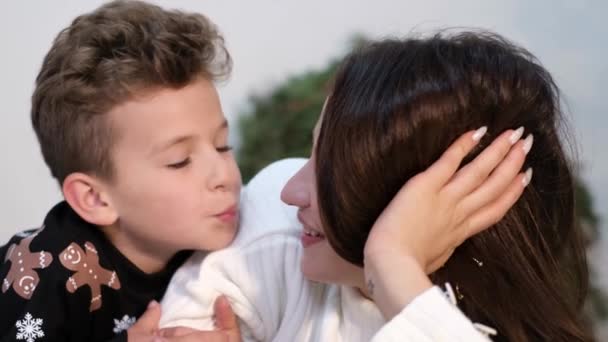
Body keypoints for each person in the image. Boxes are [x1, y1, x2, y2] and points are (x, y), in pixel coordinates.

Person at [161, 31, 592, 341]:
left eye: (331, 170)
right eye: (312, 152)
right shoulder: (274, 235)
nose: (290, 191)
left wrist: (392, 263)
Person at [0, 1, 241, 341]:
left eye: (223, 146)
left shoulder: (222, 240)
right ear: (96, 198)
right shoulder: (47, 270)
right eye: (179, 161)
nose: (224, 176)